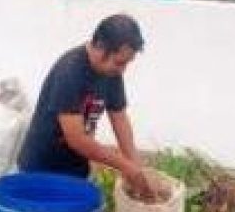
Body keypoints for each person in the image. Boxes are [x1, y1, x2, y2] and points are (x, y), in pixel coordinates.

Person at [18, 14, 153, 195]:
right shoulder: (70, 71)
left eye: (127, 63)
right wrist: (124, 166)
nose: (123, 70)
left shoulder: (113, 74)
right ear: (100, 47)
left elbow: (119, 118)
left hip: (75, 168)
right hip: (41, 168)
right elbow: (77, 139)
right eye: (120, 62)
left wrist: (135, 165)